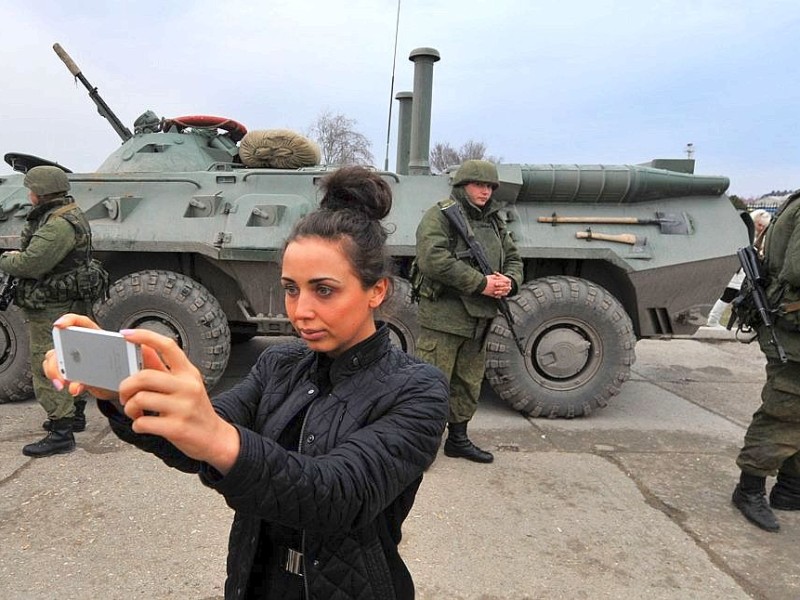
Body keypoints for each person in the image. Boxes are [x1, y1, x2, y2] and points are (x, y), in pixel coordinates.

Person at [45, 166, 449, 599]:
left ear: (377, 291)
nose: (301, 310)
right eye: (291, 289)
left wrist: (217, 437)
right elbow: (197, 440)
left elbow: (338, 495)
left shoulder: (419, 389)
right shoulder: (280, 364)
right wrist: (125, 393)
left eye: (324, 290)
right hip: (255, 580)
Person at [413, 159, 523, 464]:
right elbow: (432, 259)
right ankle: (422, 446)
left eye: (489, 186)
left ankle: (458, 440)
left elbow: (514, 257)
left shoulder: (495, 221)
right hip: (444, 318)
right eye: (479, 184)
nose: (485, 191)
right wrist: (480, 283)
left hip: (479, 320)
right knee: (432, 384)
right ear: (462, 185)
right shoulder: (441, 215)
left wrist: (508, 282)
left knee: (468, 382)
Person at [0, 166, 103, 457]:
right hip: (68, 300)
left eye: (31, 188)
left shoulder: (57, 225)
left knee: (47, 364)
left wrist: (7, 259)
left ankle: (61, 431)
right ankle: (74, 414)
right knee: (73, 358)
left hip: (53, 306)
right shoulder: (68, 213)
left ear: (41, 193)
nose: (28, 193)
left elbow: (31, 264)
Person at [731, 191, 800, 532]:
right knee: (785, 409)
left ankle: (790, 489)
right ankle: (749, 489)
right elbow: (798, 270)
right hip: (793, 334)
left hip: (790, 326)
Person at [707, 209, 772, 328]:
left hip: (743, 270)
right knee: (729, 294)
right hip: (739, 269)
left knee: (738, 296)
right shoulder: (746, 233)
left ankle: (738, 321)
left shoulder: (754, 235)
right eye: (760, 225)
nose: (761, 228)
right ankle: (713, 319)